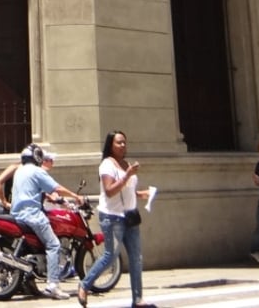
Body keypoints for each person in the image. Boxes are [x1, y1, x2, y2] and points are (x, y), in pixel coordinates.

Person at [80, 131, 155, 308]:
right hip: (112, 218)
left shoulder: (125, 164)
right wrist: (127, 174)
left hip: (129, 216)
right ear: (110, 145)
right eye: (119, 143)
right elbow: (110, 191)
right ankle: (84, 285)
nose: (123, 146)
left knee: (136, 257)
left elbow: (125, 191)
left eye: (124, 143)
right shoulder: (107, 165)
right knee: (110, 255)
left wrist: (140, 194)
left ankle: (138, 299)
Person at [9, 143, 82, 300]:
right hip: (33, 215)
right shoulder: (37, 171)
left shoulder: (19, 171)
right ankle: (53, 285)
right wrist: (75, 196)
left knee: (39, 244)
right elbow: (55, 188)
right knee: (54, 245)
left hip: (17, 214)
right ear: (37, 157)